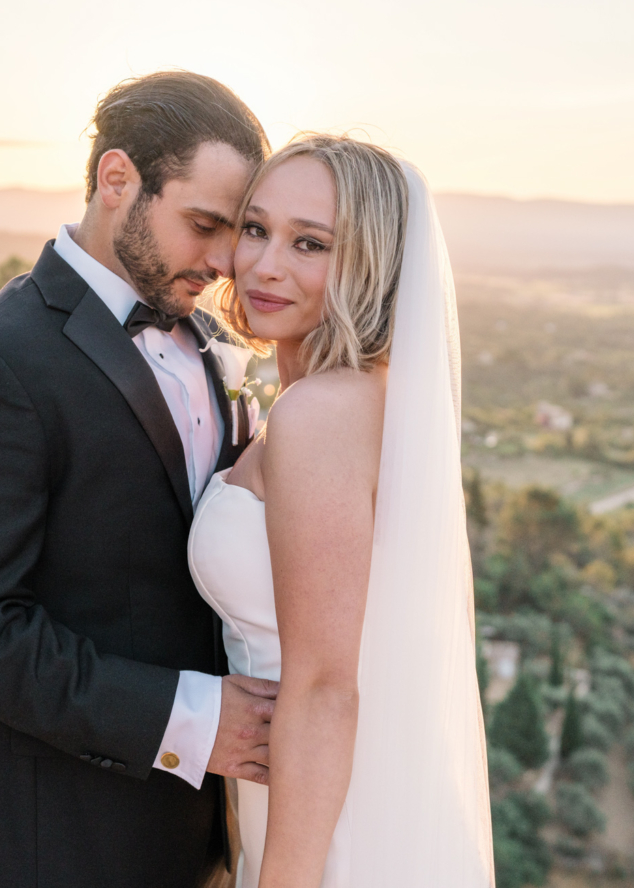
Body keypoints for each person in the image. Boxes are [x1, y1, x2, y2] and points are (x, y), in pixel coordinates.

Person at [0, 71, 281, 886]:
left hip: (200, 834)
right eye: (202, 225)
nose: (220, 263)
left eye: (234, 233)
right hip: (51, 840)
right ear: (117, 180)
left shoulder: (209, 342)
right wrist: (195, 721)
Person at [189, 134, 494, 886]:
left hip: (332, 832)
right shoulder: (355, 402)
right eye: (255, 229)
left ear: (370, 266)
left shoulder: (323, 414)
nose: (264, 264)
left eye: (310, 244)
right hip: (311, 802)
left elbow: (325, 688)